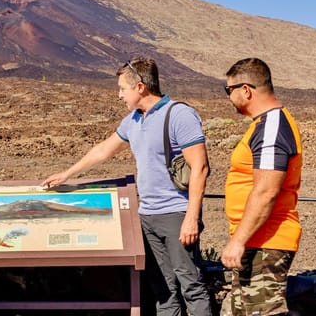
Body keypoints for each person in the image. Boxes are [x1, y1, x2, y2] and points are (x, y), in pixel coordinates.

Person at [42, 57, 213, 316]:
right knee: (163, 289)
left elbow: (200, 167)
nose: (119, 94)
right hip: (147, 216)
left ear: (140, 87)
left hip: (176, 214)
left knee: (191, 284)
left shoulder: (179, 115)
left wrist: (191, 217)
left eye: (122, 88)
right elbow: (104, 150)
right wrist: (68, 174)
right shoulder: (133, 120)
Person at [220, 58, 302, 316]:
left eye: (228, 90)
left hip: (265, 242)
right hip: (255, 240)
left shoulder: (271, 128)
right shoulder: (263, 125)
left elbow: (266, 191)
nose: (229, 97)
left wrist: (239, 241)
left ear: (246, 90)